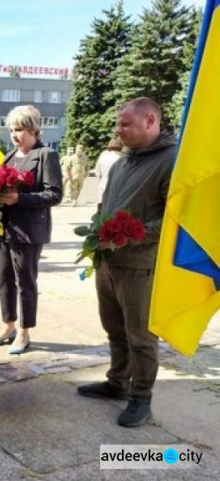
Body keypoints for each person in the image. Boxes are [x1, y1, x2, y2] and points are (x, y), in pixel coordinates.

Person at [77, 98, 176, 428]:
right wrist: (97, 229)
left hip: (139, 265)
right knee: (114, 328)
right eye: (118, 124)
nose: (118, 130)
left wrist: (129, 237)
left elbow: (174, 221)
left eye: (125, 124)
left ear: (150, 121)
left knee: (140, 337)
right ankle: (117, 383)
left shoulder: (171, 161)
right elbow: (105, 205)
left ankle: (141, 399)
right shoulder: (122, 163)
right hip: (109, 262)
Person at [0, 105, 63, 354]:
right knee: (3, 278)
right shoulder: (9, 156)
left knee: (24, 281)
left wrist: (20, 199)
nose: (14, 135)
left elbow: (55, 194)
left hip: (28, 230)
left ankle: (24, 332)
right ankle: (8, 325)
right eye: (11, 130)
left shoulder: (45, 155)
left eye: (19, 130)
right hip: (3, 228)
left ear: (33, 129)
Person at [94, 136, 123, 209]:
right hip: (117, 192)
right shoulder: (122, 159)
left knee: (101, 215)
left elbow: (97, 173)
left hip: (102, 189)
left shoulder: (103, 157)